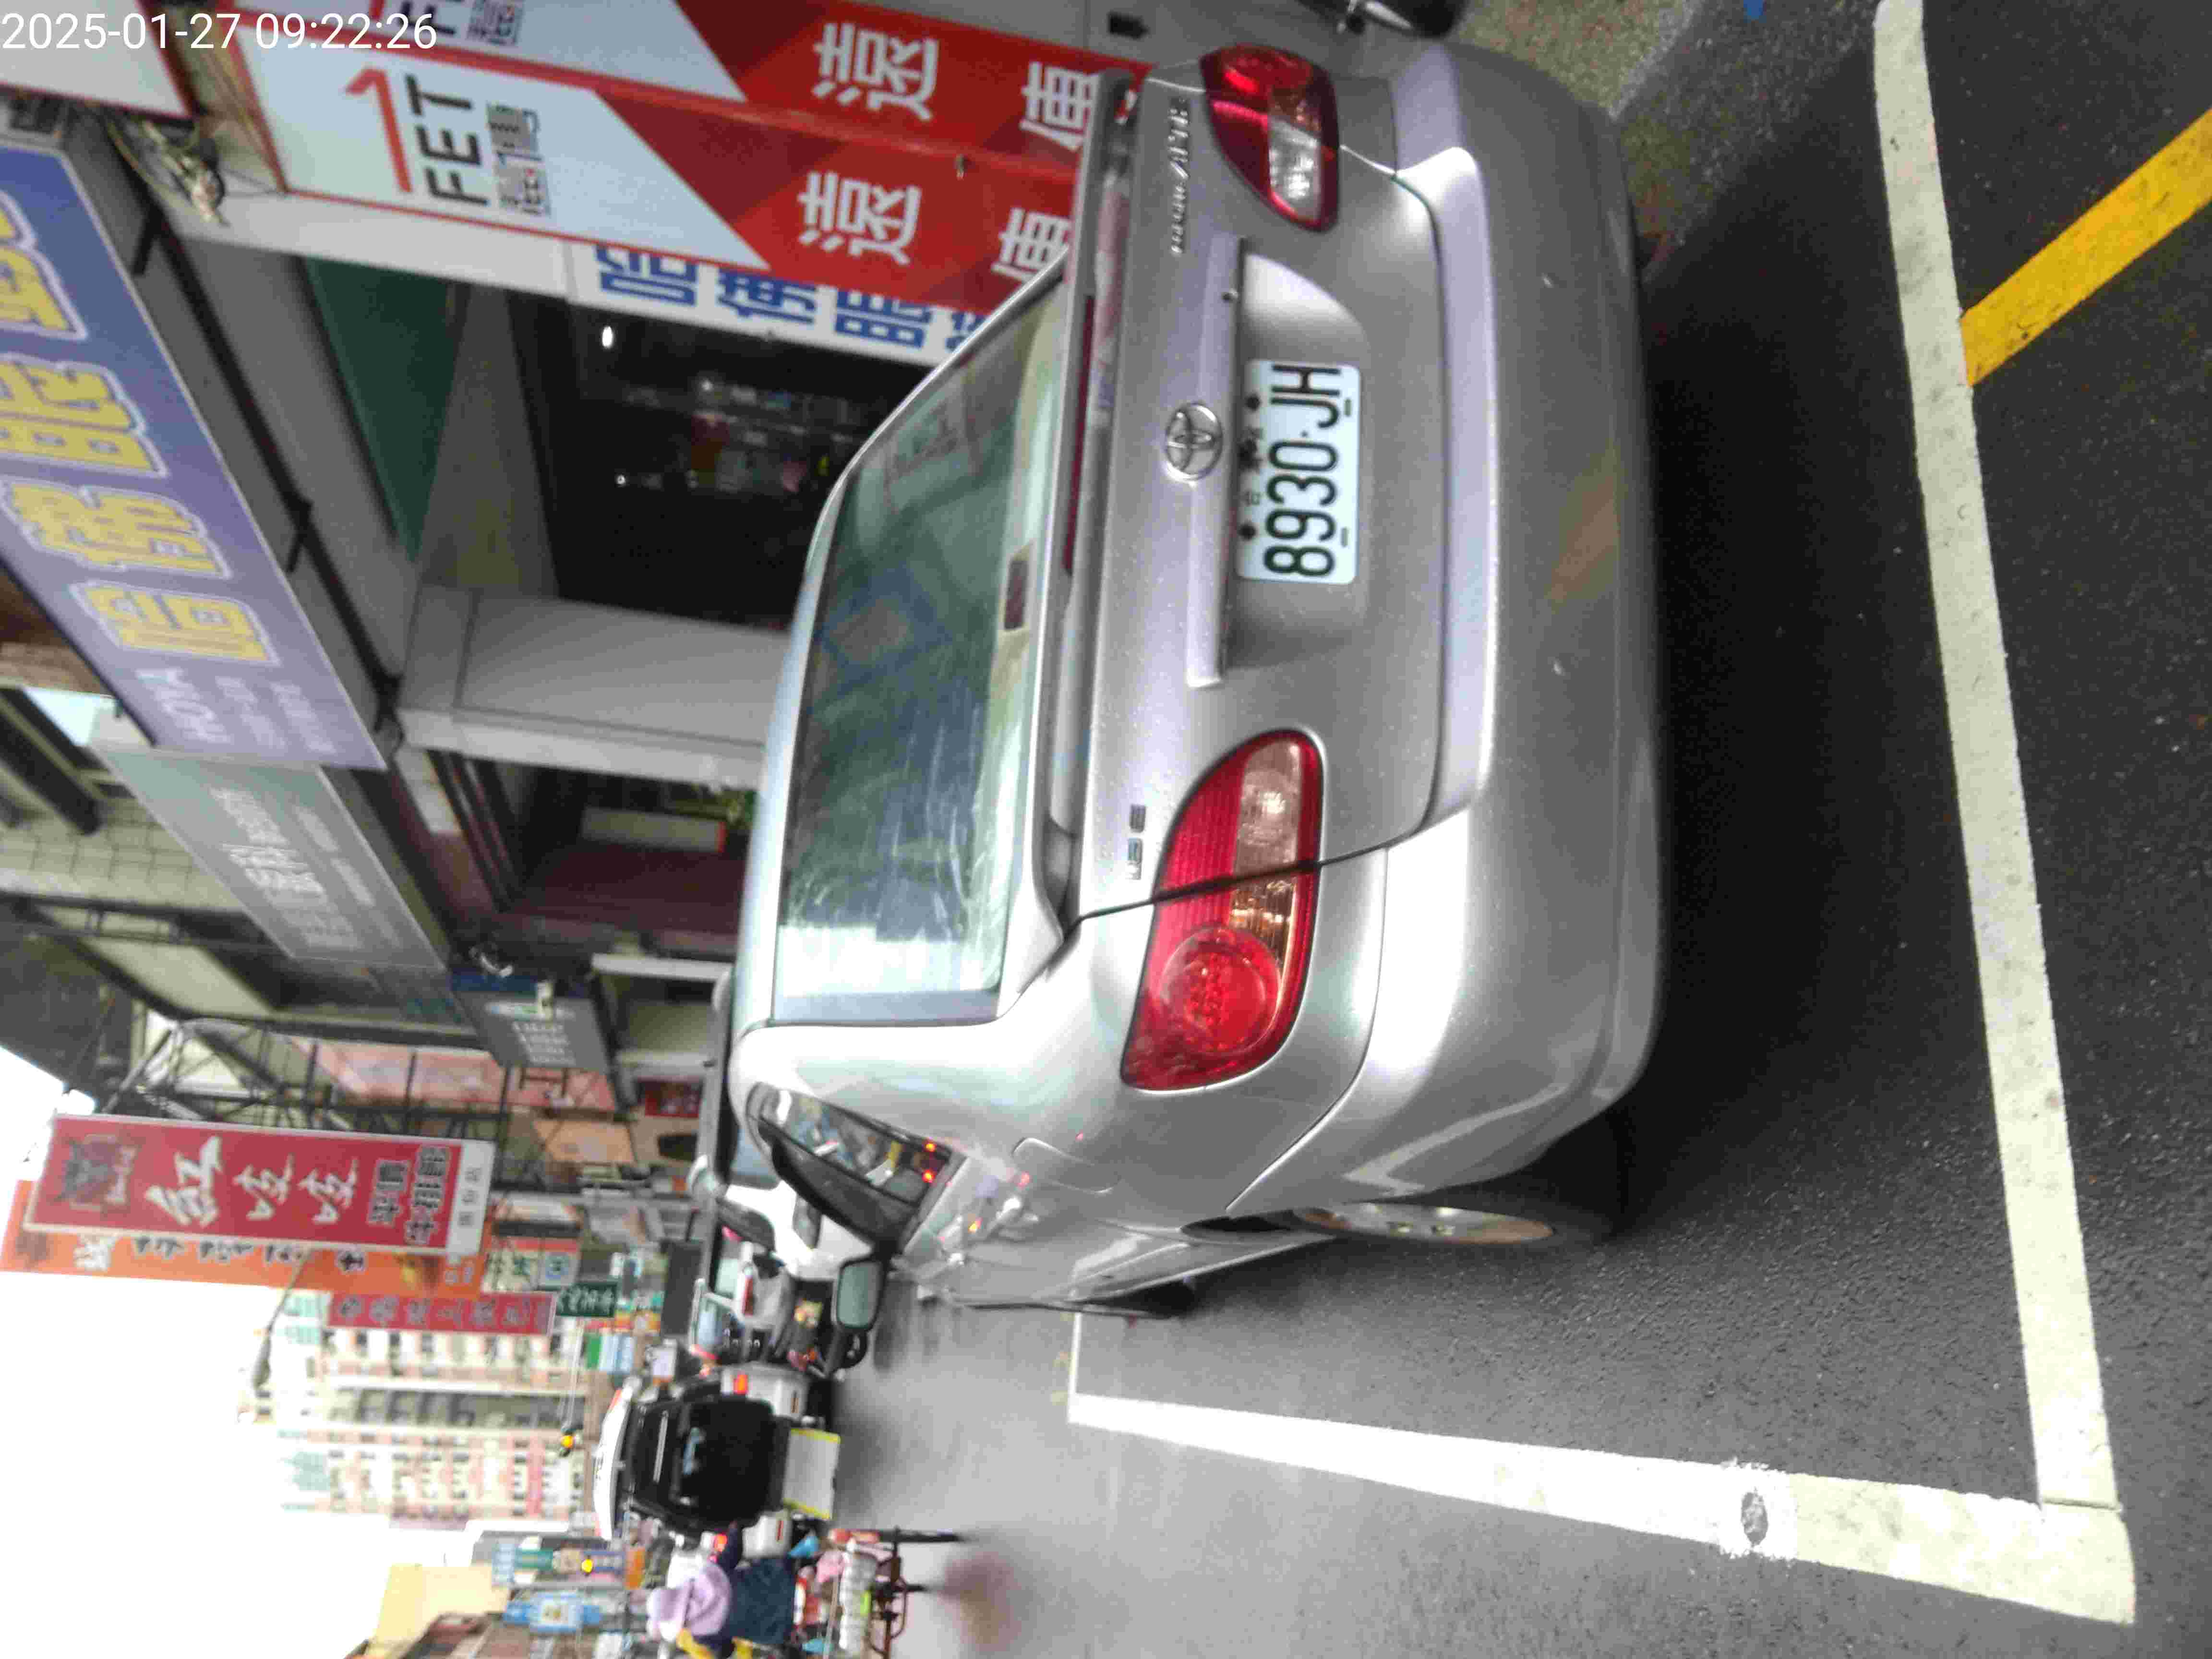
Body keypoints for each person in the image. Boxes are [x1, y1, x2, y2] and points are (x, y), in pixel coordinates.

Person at [648, 1534, 818, 1658]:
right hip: (786, 1583)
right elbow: (734, 1550)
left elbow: (725, 1651)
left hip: (782, 1626)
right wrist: (735, 1527)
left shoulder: (701, 1634)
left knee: (814, 1637)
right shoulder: (708, 1576)